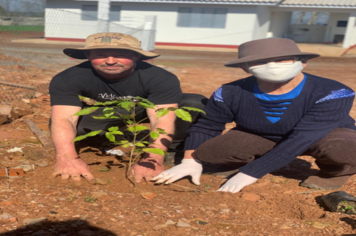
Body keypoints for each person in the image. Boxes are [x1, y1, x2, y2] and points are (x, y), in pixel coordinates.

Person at [152, 38, 356, 193]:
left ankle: (335, 172)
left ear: (302, 62)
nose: (273, 66)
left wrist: (251, 174)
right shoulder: (230, 91)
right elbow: (208, 125)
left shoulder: (333, 92)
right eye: (260, 62)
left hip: (320, 136)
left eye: (282, 59)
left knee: (345, 149)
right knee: (209, 152)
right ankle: (253, 159)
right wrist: (190, 160)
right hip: (261, 135)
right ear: (244, 68)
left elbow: (303, 137)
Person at [49, 32, 206, 183]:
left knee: (194, 103)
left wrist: (153, 159)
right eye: (100, 55)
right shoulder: (68, 78)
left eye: (120, 55)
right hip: (106, 112)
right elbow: (65, 117)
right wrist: (67, 157)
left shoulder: (160, 78)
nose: (110, 61)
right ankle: (102, 139)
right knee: (76, 127)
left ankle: (172, 149)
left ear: (136, 56)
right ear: (88, 56)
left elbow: (161, 119)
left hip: (143, 109)